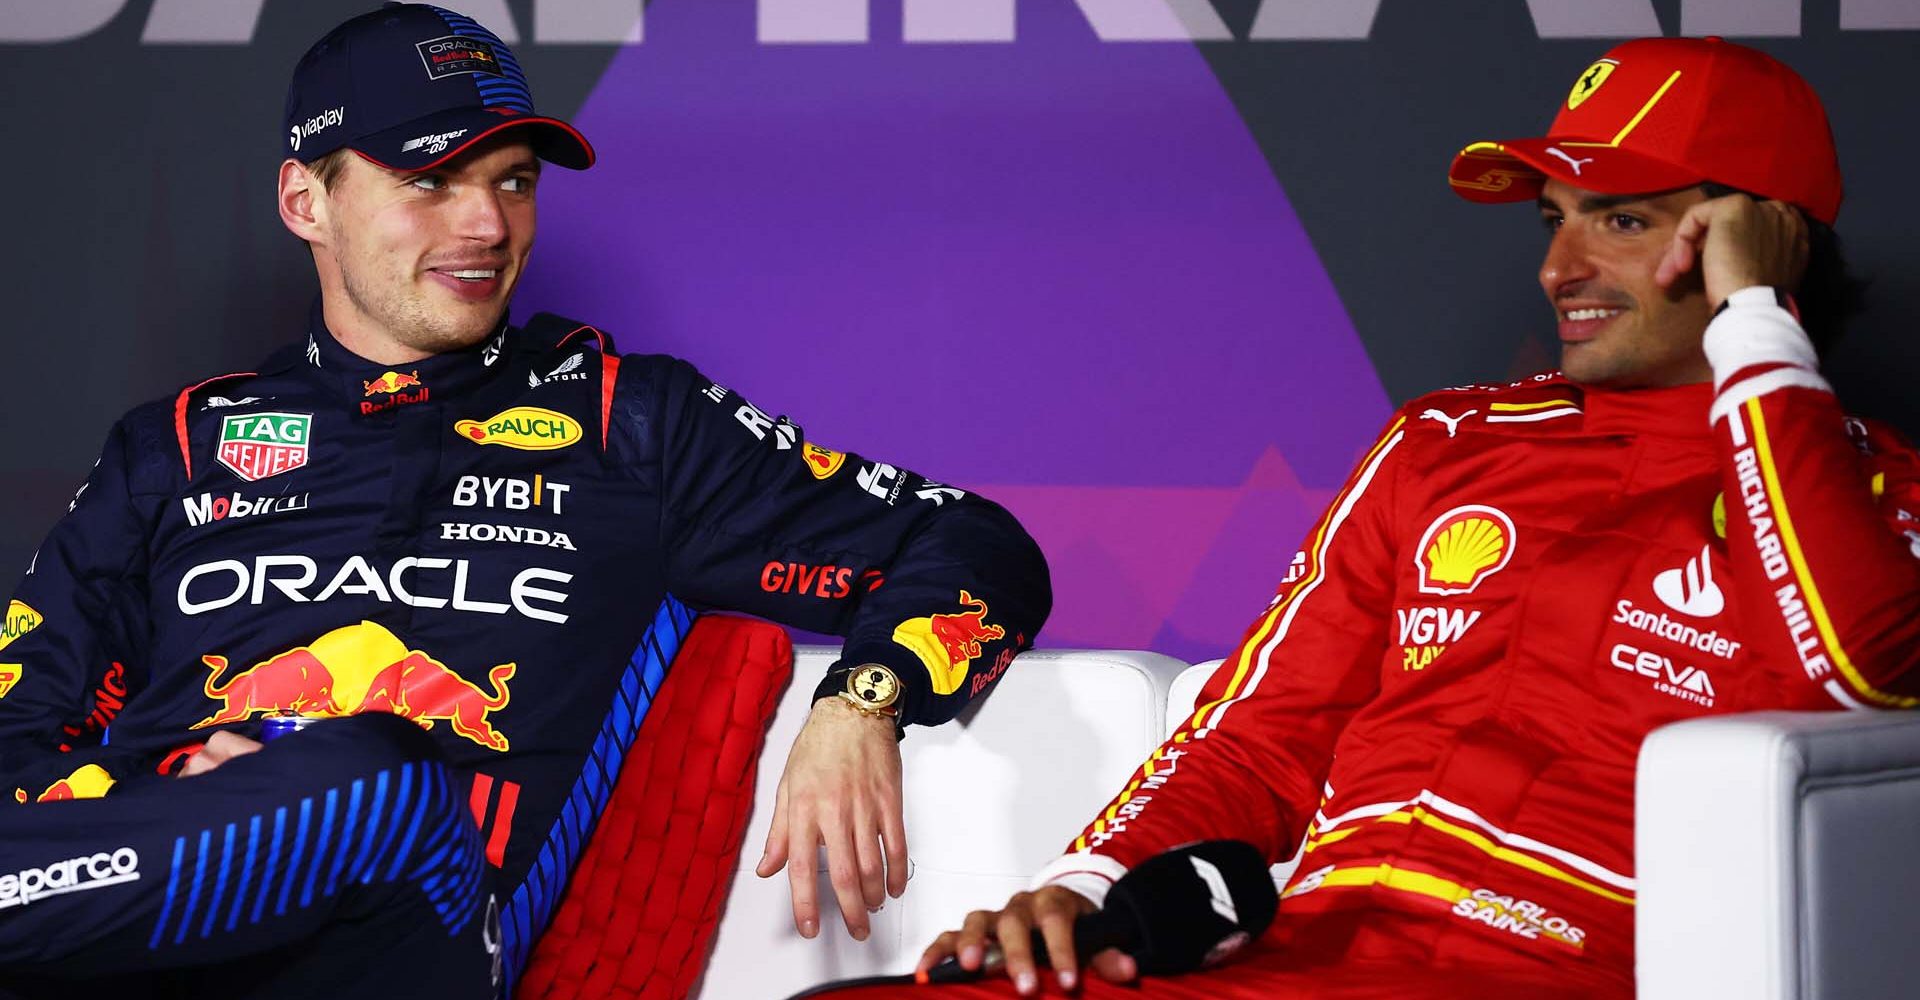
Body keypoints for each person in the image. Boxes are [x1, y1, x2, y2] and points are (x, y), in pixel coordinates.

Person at [0, 3, 1049, 996]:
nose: (486, 224)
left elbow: (974, 542)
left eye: (512, 181)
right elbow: (18, 726)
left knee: (375, 777)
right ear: (304, 201)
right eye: (432, 181)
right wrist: (179, 796)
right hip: (129, 940)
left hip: (413, 925)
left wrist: (865, 699)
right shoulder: (176, 446)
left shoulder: (633, 423)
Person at [842, 36, 1920, 999]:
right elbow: (1263, 736)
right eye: (1555, 221)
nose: (1558, 270)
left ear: (1764, 241)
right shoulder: (1444, 441)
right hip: (1299, 948)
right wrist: (1082, 887)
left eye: (1622, 221)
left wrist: (1755, 331)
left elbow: (1864, 667)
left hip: (1555, 963)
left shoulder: (1871, 495)